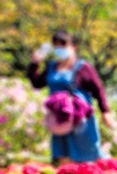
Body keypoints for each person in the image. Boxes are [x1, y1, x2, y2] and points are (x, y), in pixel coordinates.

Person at [27, 29, 112, 164]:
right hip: (59, 118)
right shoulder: (52, 67)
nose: (59, 49)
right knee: (63, 155)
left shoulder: (83, 67)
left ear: (73, 47)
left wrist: (105, 111)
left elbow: (98, 89)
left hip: (80, 118)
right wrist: (34, 63)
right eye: (56, 46)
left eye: (63, 45)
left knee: (85, 155)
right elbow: (37, 83)